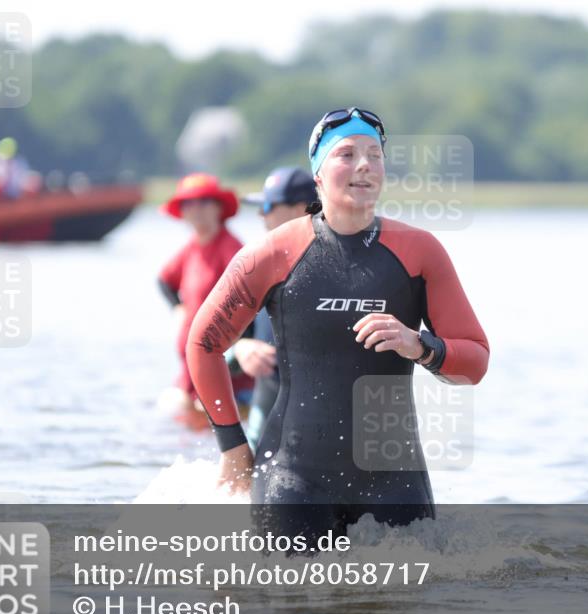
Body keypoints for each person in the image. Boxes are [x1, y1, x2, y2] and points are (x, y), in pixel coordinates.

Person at [187, 108, 489, 540]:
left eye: (374, 155)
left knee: (415, 583)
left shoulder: (420, 252)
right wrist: (232, 447)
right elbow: (203, 344)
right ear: (318, 173)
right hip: (293, 480)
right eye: (347, 154)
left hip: (394, 483)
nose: (364, 165)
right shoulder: (272, 253)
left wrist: (420, 345)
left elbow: (475, 362)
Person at [226, 167, 319, 448]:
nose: (260, 214)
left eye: (267, 207)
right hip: (268, 406)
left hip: (323, 420)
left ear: (300, 209)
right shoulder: (261, 265)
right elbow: (215, 345)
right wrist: (241, 349)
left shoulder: (338, 265)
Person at [157, 173, 252, 428]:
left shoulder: (231, 248)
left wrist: (237, 347)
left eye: (204, 202)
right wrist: (177, 307)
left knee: (211, 427)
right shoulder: (191, 249)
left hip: (223, 369)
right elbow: (164, 280)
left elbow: (250, 297)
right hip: (190, 368)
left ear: (218, 207)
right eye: (188, 203)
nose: (196, 209)